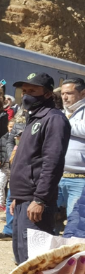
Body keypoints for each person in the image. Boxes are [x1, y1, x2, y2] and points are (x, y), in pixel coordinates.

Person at [2, 72, 70, 274]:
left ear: (48, 93)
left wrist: (40, 199)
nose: (27, 95)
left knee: (35, 254)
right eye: (25, 90)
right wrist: (17, 197)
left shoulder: (54, 120)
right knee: (21, 252)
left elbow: (52, 163)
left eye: (33, 91)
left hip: (36, 200)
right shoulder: (34, 118)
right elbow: (26, 160)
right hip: (23, 198)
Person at [58, 78, 85, 218]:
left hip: (80, 179)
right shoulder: (62, 113)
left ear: (83, 94)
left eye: (69, 93)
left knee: (76, 223)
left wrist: (62, 125)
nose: (64, 97)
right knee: (47, 221)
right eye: (62, 93)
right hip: (56, 176)